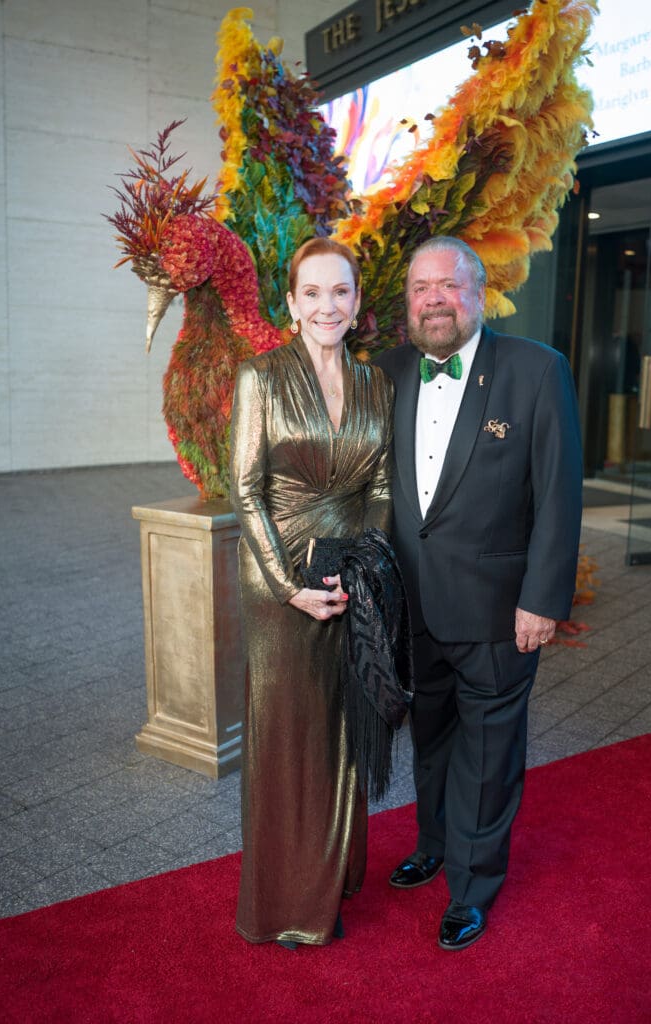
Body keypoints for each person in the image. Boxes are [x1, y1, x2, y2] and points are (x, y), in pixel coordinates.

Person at [376, 236, 582, 951]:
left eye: (448, 285)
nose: (433, 299)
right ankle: (434, 844)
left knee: (488, 753)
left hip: (499, 610)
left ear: (480, 292)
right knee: (431, 740)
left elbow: (558, 493)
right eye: (419, 288)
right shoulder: (386, 373)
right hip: (412, 608)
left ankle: (471, 887)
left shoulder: (536, 370)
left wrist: (543, 599)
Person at [229, 237, 394, 949]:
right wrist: (289, 587)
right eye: (313, 292)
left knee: (343, 729)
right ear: (292, 304)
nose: (328, 305)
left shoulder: (375, 385)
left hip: (349, 576)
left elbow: (381, 485)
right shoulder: (260, 377)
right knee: (288, 738)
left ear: (357, 303)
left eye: (341, 291)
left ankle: (334, 874)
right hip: (280, 586)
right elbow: (244, 489)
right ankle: (286, 904)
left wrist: (365, 565)